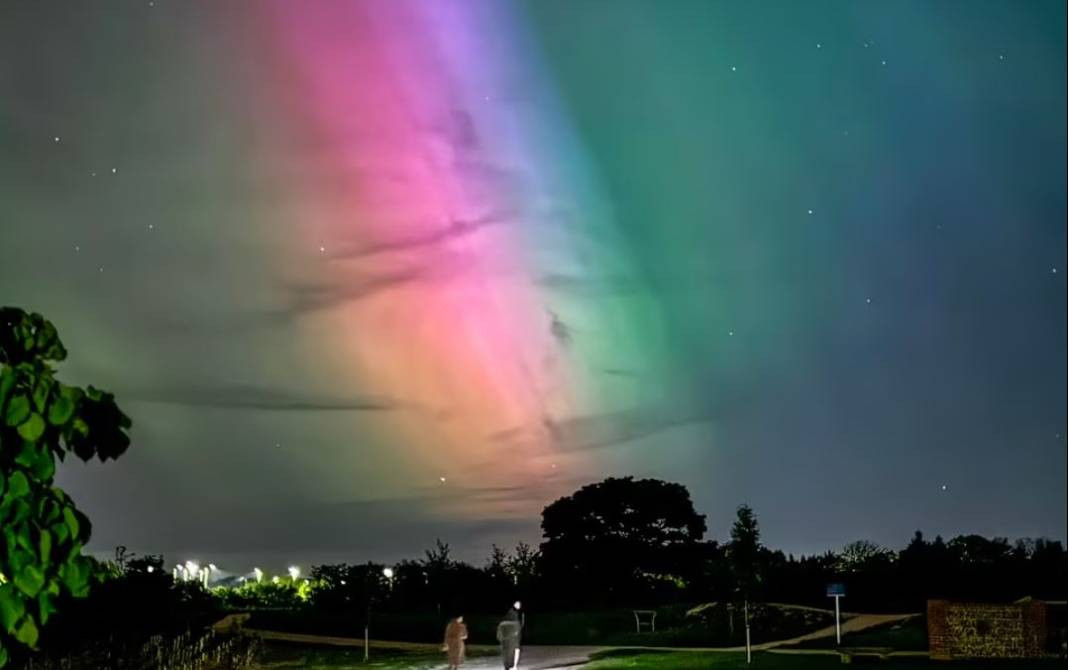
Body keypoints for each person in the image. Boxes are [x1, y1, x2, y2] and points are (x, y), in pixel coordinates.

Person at [496, 601, 523, 670]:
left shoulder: (503, 622)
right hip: (513, 639)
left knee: (508, 653)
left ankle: (509, 666)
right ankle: (513, 666)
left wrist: (501, 639)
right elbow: (518, 629)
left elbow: (499, 634)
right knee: (514, 651)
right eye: (517, 604)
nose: (519, 606)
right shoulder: (515, 618)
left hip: (507, 640)